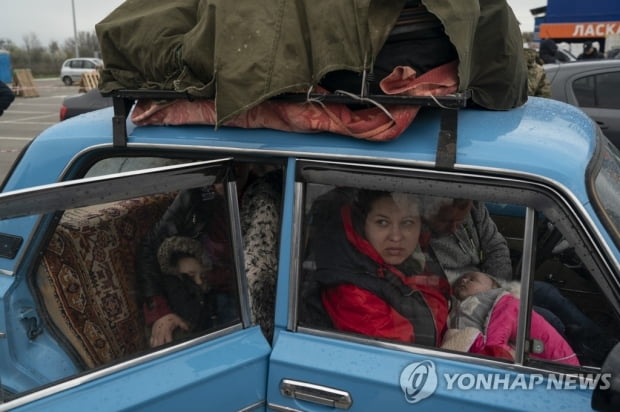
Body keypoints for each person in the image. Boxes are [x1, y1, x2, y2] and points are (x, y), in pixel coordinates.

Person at [422, 197, 616, 364]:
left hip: (490, 285)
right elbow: (442, 287)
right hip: (464, 301)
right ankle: (570, 366)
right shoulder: (419, 238)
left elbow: (496, 246)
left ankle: (604, 350)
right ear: (428, 212)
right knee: (547, 319)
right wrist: (488, 296)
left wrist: (498, 287)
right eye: (447, 221)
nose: (455, 227)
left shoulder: (474, 208)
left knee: (547, 293)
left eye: (460, 221)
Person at [135, 164, 282, 347]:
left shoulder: (266, 198)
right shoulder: (195, 195)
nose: (223, 177)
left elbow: (267, 275)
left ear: (249, 163)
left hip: (243, 304)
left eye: (234, 167)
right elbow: (150, 248)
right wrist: (160, 311)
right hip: (195, 299)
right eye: (217, 169)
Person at [305, 189, 450, 346]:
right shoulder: (351, 292)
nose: (396, 236)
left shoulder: (412, 261)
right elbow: (401, 356)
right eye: (382, 222)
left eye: (407, 222)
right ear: (362, 224)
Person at [442, 271, 580, 366]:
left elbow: (494, 346)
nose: (464, 280)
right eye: (461, 279)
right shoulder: (459, 306)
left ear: (493, 287)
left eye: (472, 279)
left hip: (560, 364)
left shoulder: (505, 302)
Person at [154, 236, 220, 338]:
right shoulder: (166, 321)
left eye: (202, 276)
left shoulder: (215, 303)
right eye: (190, 276)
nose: (199, 282)